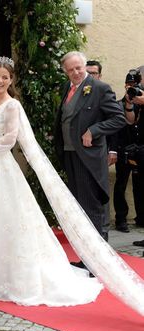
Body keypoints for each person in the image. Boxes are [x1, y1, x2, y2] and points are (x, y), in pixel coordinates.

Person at [0, 56, 144, 316]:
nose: (0, 80)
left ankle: (78, 260)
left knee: (7, 218)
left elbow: (10, 140)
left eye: (5, 77)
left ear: (11, 80)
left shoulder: (12, 106)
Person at [54, 51, 126, 268]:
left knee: (91, 208)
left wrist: (94, 130)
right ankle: (87, 259)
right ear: (65, 71)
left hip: (89, 158)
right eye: (70, 69)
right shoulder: (67, 87)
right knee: (79, 210)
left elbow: (118, 118)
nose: (75, 72)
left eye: (78, 68)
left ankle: (100, 263)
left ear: (84, 67)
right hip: (69, 155)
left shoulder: (100, 89)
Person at [86, 60, 117, 240]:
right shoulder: (79, 92)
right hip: (82, 153)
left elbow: (114, 122)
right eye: (87, 72)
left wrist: (113, 150)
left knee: (101, 190)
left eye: (94, 73)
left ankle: (103, 229)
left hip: (100, 151)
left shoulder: (103, 90)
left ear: (100, 75)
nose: (90, 76)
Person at [113, 69, 144, 234]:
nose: (132, 88)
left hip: (140, 151)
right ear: (125, 85)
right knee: (121, 185)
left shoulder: (142, 103)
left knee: (140, 186)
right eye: (130, 85)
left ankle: (141, 218)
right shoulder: (118, 104)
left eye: (135, 85)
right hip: (123, 150)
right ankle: (121, 219)